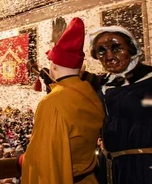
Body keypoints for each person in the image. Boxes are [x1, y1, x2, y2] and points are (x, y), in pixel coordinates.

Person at [87, 26, 152, 184]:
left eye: (117, 48)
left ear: (132, 49)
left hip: (148, 170)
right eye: (101, 50)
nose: (109, 56)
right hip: (110, 170)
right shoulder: (102, 84)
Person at [21, 18, 105, 184]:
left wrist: (25, 160)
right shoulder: (91, 95)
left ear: (53, 66)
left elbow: (45, 160)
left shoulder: (52, 103)